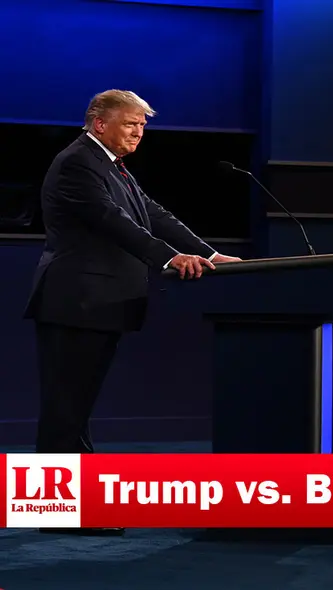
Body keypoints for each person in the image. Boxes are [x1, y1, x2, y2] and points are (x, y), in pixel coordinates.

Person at [23, 90, 241, 534]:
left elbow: (153, 215)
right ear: (100, 122)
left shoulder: (110, 165)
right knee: (65, 408)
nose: (139, 133)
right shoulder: (78, 162)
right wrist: (169, 259)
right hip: (77, 300)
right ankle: (54, 514)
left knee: (76, 408)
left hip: (98, 302)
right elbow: (113, 221)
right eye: (130, 124)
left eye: (143, 125)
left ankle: (72, 510)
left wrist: (209, 254)